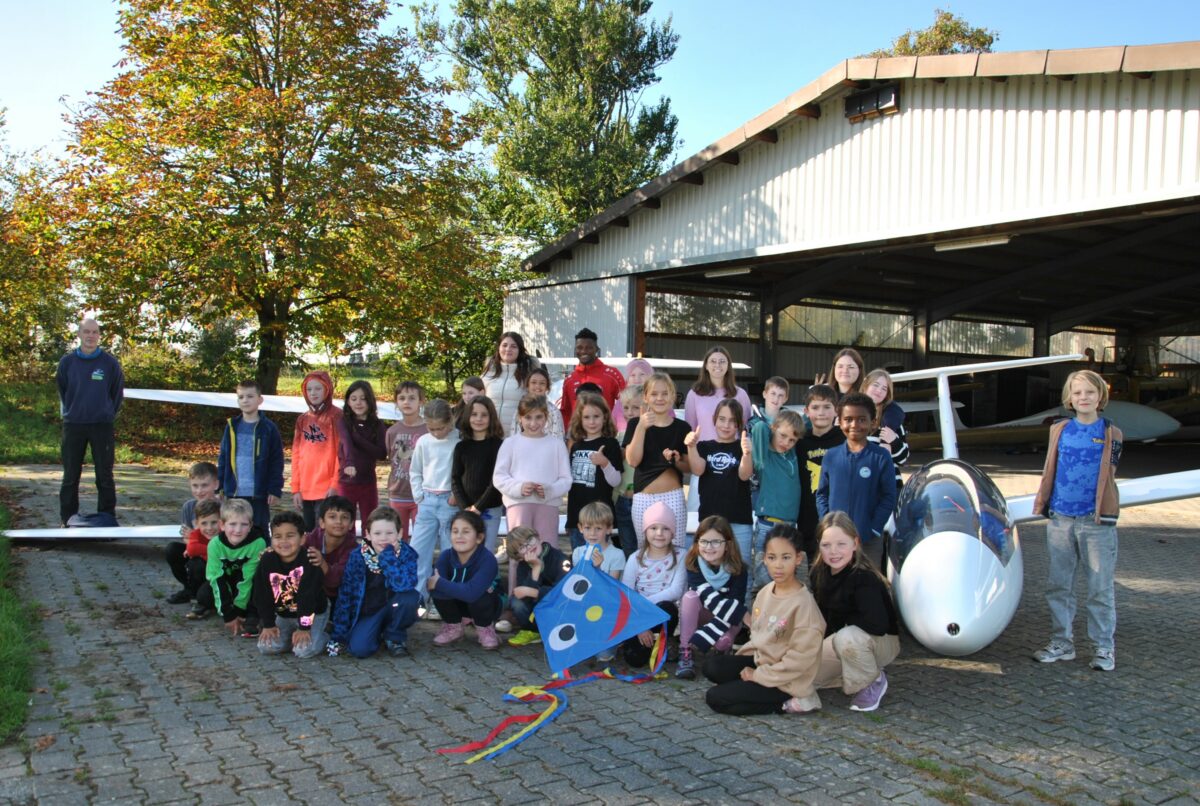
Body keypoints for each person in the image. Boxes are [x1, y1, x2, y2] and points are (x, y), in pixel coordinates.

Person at [1031, 370, 1123, 672]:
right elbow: (1050, 467)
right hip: (1060, 519)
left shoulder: (1111, 432)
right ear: (1069, 398)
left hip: (1095, 522)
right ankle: (1062, 643)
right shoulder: (1059, 429)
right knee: (1059, 585)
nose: (1083, 397)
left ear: (1100, 396)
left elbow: (1110, 476)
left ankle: (1103, 647)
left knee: (1099, 587)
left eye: (1089, 392)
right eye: (1077, 392)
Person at [703, 525, 825, 716]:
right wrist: (748, 667)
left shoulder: (804, 607)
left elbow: (799, 662)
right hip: (763, 664)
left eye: (786, 557)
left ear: (798, 559)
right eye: (772, 557)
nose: (778, 565)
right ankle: (752, 689)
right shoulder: (765, 593)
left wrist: (757, 676)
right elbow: (759, 636)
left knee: (716, 698)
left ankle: (792, 703)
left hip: (787, 680)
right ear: (764, 559)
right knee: (712, 666)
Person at [809, 512, 900, 712]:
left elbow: (878, 624)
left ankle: (873, 681)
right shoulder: (818, 573)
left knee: (846, 638)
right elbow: (822, 618)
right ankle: (847, 672)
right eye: (826, 545)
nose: (834, 551)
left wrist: (843, 621)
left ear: (855, 543)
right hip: (842, 639)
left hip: (880, 641)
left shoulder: (864, 578)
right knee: (806, 674)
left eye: (841, 544)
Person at [493, 392, 571, 609]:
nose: (533, 423)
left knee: (548, 551)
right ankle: (515, 604)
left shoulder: (556, 444)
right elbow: (499, 477)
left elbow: (566, 479)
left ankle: (551, 605)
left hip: (548, 505)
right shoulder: (510, 444)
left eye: (538, 417)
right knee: (519, 553)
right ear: (520, 418)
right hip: (518, 504)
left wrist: (550, 489)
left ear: (546, 418)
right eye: (528, 418)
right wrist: (519, 488)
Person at [816, 393, 897, 571]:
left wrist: (874, 529)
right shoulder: (831, 455)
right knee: (835, 586)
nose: (854, 425)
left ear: (873, 422)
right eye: (848, 419)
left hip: (868, 541)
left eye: (861, 419)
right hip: (835, 541)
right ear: (840, 421)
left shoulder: (881, 456)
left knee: (867, 586)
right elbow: (822, 494)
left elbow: (889, 496)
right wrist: (827, 524)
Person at [327, 506, 420, 659]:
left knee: (411, 598)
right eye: (377, 533)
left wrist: (388, 557)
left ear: (400, 533)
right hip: (369, 611)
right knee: (360, 650)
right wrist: (339, 635)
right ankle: (377, 631)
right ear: (368, 535)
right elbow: (346, 595)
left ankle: (394, 636)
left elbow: (404, 585)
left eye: (390, 533)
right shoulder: (357, 556)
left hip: (394, 606)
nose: (383, 538)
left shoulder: (407, 554)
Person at [57, 317, 124, 526]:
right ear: (79, 334)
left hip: (101, 426)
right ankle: (67, 519)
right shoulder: (67, 362)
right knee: (70, 476)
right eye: (86, 332)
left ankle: (107, 518)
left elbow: (116, 393)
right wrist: (73, 410)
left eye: (95, 332)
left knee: (104, 475)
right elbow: (63, 389)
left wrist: (105, 413)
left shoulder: (109, 363)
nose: (90, 336)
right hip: (74, 425)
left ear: (99, 336)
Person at [685, 399, 754, 583]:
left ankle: (740, 609)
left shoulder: (743, 447)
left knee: (741, 573)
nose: (726, 425)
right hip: (709, 521)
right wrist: (691, 447)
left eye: (732, 421)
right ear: (714, 420)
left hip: (739, 521)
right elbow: (697, 469)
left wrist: (747, 454)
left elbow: (744, 475)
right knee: (708, 571)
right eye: (722, 419)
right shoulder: (705, 446)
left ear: (739, 424)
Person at [622, 372, 690, 549]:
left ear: (673, 396)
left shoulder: (682, 427)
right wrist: (642, 427)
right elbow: (632, 460)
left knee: (677, 549)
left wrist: (676, 460)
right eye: (654, 394)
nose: (660, 398)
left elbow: (688, 467)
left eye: (665, 393)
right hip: (643, 497)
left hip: (673, 496)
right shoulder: (635, 424)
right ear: (645, 397)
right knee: (644, 550)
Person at [676, 516, 748, 680]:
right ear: (697, 542)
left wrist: (707, 635)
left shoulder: (739, 569)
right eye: (704, 541)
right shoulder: (693, 563)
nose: (709, 547)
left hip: (729, 619)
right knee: (690, 597)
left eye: (716, 542)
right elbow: (706, 595)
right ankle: (685, 651)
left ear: (728, 544)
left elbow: (736, 604)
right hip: (705, 614)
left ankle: (720, 651)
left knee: (722, 641)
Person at [254, 511, 329, 660]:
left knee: (304, 651)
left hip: (313, 613)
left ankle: (324, 635)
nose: (283, 541)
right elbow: (261, 594)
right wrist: (268, 624)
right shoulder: (267, 560)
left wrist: (304, 628)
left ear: (302, 539)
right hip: (285, 614)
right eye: (277, 536)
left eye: (290, 535)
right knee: (265, 647)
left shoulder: (310, 560)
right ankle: (291, 638)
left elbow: (308, 596)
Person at [621, 502, 686, 668]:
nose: (659, 533)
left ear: (673, 532)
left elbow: (676, 591)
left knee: (667, 608)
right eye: (653, 528)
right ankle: (650, 644)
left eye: (665, 528)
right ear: (645, 531)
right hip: (638, 615)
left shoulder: (681, 555)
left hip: (663, 613)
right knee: (634, 660)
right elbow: (626, 595)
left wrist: (646, 605)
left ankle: (666, 640)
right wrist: (640, 625)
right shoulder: (635, 558)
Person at [409, 399, 461, 608]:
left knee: (450, 552)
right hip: (428, 501)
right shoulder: (424, 441)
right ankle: (417, 596)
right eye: (431, 428)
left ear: (451, 421)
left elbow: (462, 471)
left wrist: (457, 494)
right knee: (419, 550)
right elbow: (415, 470)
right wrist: (419, 496)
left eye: (440, 428)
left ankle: (445, 599)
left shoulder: (458, 440)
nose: (437, 432)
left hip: (450, 500)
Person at [216, 379, 285, 535]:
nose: (245, 400)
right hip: (234, 492)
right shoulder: (232, 426)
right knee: (234, 530)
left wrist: (274, 488)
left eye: (250, 396)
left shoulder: (269, 428)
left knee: (259, 531)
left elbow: (277, 461)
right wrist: (219, 485)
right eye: (241, 397)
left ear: (260, 400)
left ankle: (261, 559)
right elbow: (224, 457)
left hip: (258, 493)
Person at [428, 510, 501, 650]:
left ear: (479, 537)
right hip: (458, 603)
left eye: (466, 532)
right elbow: (433, 585)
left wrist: (440, 583)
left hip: (486, 605)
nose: (459, 536)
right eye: (455, 531)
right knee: (438, 590)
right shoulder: (445, 556)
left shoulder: (488, 559)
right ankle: (453, 626)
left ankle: (485, 628)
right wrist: (439, 584)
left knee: (479, 595)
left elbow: (472, 593)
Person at [749, 409, 805, 589]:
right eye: (782, 435)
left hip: (790, 526)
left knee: (785, 575)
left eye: (792, 440)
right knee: (762, 573)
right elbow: (758, 427)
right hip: (767, 524)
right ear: (773, 428)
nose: (786, 442)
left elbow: (807, 424)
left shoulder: (792, 454)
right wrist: (772, 422)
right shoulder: (765, 455)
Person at [565, 393, 624, 550]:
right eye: (587, 417)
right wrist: (570, 521)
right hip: (577, 520)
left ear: (605, 417)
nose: (592, 422)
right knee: (580, 562)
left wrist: (604, 463)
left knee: (601, 562)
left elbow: (616, 481)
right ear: (580, 419)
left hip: (600, 519)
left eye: (596, 416)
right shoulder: (576, 446)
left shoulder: (610, 444)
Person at [204, 498, 269, 637]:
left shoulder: (258, 543)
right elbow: (216, 579)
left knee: (260, 578)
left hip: (247, 585)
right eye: (232, 524)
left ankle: (253, 615)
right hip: (227, 582)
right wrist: (228, 613)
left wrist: (239, 609)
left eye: (244, 524)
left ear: (251, 525)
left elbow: (248, 579)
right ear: (222, 525)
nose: (238, 530)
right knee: (203, 596)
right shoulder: (214, 545)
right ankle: (221, 606)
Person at [797, 385, 846, 564]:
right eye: (815, 407)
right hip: (806, 519)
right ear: (806, 411)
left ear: (836, 411)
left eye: (827, 407)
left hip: (837, 519)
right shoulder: (800, 441)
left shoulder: (845, 440)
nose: (821, 412)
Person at [450, 395, 505, 553]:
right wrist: (466, 507)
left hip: (489, 509)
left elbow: (496, 480)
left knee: (484, 550)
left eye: (484, 415)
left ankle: (485, 578)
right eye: (474, 414)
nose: (478, 419)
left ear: (491, 417)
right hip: (466, 509)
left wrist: (478, 507)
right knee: (466, 550)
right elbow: (455, 479)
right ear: (468, 417)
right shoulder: (461, 447)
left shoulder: (498, 446)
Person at [291, 370, 342, 531]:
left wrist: (335, 484)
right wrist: (295, 488)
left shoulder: (337, 416)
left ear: (327, 389)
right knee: (308, 532)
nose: (313, 393)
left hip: (327, 489)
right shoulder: (302, 419)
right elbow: (296, 454)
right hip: (306, 489)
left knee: (325, 533)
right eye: (309, 389)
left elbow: (341, 454)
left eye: (318, 388)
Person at [505, 526, 570, 647]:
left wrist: (533, 592)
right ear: (519, 556)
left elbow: (564, 593)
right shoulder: (523, 566)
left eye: (529, 540)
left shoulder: (560, 559)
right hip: (538, 610)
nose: (529, 546)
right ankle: (533, 631)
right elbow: (523, 597)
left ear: (538, 537)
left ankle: (554, 630)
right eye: (522, 547)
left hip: (560, 608)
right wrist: (536, 568)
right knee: (516, 602)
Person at [336, 379, 387, 526]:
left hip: (368, 482)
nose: (358, 402)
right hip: (346, 482)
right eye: (354, 399)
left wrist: (358, 438)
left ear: (370, 401)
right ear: (348, 402)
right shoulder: (344, 421)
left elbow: (382, 453)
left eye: (363, 399)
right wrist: (350, 463)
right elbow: (347, 443)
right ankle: (347, 550)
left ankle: (368, 549)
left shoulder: (378, 425)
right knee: (345, 522)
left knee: (369, 523)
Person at [385, 381, 428, 541]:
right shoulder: (392, 431)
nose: (406, 402)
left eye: (411, 398)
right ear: (396, 402)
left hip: (421, 495)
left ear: (421, 401)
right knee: (397, 538)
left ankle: (421, 566)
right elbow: (391, 457)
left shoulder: (429, 429)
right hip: (398, 492)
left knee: (421, 539)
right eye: (402, 398)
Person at [560, 327, 626, 425]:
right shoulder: (569, 380)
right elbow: (565, 413)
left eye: (589, 347)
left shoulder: (612, 374)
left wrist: (618, 428)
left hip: (605, 436)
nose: (583, 351)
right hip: (577, 437)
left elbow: (627, 403)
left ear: (597, 349)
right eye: (579, 347)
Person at [165, 499, 221, 611]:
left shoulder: (224, 535)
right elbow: (191, 549)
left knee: (204, 596)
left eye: (214, 522)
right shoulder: (196, 533)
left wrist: (202, 551)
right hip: (204, 567)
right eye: (204, 523)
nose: (209, 528)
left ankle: (202, 597)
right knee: (173, 549)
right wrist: (211, 551)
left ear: (222, 522)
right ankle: (190, 590)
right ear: (197, 523)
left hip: (218, 575)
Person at [304, 495, 357, 610]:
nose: (338, 522)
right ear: (322, 522)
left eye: (344, 517)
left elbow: (335, 582)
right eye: (332, 517)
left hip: (339, 599)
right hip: (309, 594)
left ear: (351, 524)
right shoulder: (309, 540)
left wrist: (322, 563)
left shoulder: (354, 549)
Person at [482, 332, 540, 437]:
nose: (508, 349)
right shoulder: (488, 372)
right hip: (490, 435)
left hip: (518, 436)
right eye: (504, 345)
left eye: (513, 346)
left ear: (520, 350)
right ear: (499, 348)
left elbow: (539, 402)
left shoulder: (529, 373)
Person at [861, 369, 909, 490]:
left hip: (888, 486)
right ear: (865, 385)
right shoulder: (851, 416)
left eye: (884, 389)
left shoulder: (893, 421)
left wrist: (893, 441)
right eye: (876, 385)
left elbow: (903, 459)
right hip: (859, 484)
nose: (879, 391)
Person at [613, 384, 643, 557]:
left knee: (645, 546)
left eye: (635, 408)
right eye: (626, 407)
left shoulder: (650, 434)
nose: (630, 412)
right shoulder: (618, 436)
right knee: (628, 547)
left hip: (643, 499)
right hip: (622, 499)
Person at [511, 366, 565, 440]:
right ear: (527, 386)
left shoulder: (554, 412)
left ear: (547, 387)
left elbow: (558, 439)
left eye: (542, 383)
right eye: (533, 382)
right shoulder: (519, 410)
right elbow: (514, 435)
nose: (537, 386)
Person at [177, 461, 220, 538]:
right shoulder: (188, 506)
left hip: (219, 548)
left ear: (216, 485)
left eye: (204, 485)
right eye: (195, 486)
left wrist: (194, 535)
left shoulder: (224, 506)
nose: (199, 491)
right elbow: (186, 537)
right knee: (172, 547)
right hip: (195, 545)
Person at [614, 357, 653, 431]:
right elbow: (613, 423)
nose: (637, 379)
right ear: (627, 379)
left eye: (642, 374)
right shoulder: (621, 400)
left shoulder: (656, 399)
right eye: (632, 375)